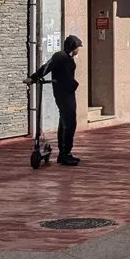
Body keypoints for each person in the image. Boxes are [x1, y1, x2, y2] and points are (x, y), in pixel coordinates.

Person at [25, 35, 84, 166]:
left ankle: (64, 153)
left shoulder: (68, 58)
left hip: (68, 92)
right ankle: (65, 154)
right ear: (73, 47)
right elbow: (47, 67)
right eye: (78, 47)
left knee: (65, 121)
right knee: (69, 122)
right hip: (62, 93)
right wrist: (34, 78)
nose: (79, 50)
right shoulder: (60, 57)